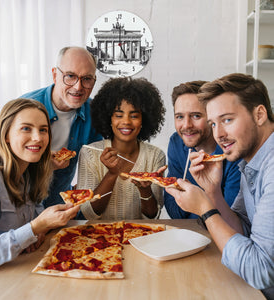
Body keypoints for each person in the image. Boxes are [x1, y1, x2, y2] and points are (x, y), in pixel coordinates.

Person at [166, 73, 274, 299]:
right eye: (214, 123)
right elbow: (243, 230)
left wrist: (206, 209)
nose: (219, 134)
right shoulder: (250, 159)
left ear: (260, 114)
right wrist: (213, 192)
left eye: (227, 120)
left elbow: (260, 271)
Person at [0, 99, 79, 280]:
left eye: (43, 130)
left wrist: (38, 232)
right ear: (6, 134)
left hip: (19, 272)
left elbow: (32, 230)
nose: (38, 137)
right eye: (26, 128)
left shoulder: (30, 170)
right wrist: (36, 226)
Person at [21, 46, 102, 208]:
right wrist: (43, 164)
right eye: (70, 76)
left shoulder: (95, 113)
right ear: (55, 75)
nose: (78, 87)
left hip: (60, 207)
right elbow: (3, 164)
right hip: (21, 205)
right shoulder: (23, 108)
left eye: (87, 78)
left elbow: (95, 164)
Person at [76, 77, 166, 220]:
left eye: (134, 115)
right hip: (98, 238)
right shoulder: (90, 153)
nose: (126, 122)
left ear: (144, 120)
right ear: (108, 118)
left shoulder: (155, 155)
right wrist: (112, 174)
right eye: (118, 115)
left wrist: (145, 190)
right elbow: (88, 212)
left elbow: (153, 216)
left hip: (140, 237)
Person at [164, 80, 241, 219]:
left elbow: (231, 219)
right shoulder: (176, 142)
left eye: (196, 116)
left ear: (212, 117)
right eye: (180, 117)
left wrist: (192, 199)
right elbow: (174, 212)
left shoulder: (233, 151)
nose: (186, 125)